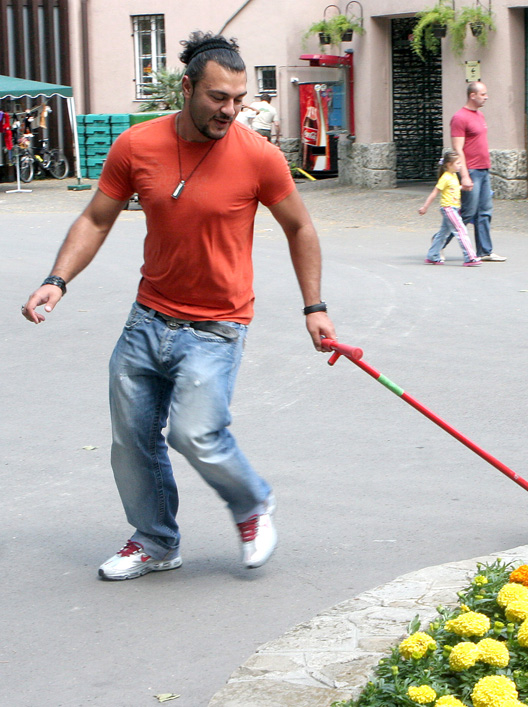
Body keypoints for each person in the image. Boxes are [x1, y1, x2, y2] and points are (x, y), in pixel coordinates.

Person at [20, 31, 336, 580]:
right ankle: (156, 541)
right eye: (219, 98)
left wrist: (315, 306)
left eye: (239, 100)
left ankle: (251, 503)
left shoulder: (257, 156)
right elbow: (97, 218)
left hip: (217, 327)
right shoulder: (137, 145)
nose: (231, 111)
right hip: (148, 319)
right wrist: (58, 278)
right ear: (188, 87)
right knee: (131, 441)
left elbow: (300, 228)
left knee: (195, 434)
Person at [450, 81, 505, 262]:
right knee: (467, 212)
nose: (486, 97)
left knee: (485, 212)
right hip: (471, 170)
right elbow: (458, 149)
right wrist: (464, 175)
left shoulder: (480, 115)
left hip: (483, 169)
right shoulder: (459, 117)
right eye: (483, 94)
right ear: (472, 95)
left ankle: (485, 251)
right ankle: (438, 243)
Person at [419, 150, 481, 266]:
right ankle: (470, 257)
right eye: (458, 163)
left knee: (443, 233)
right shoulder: (445, 177)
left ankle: (432, 256)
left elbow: (453, 188)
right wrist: (425, 207)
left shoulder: (453, 176)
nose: (460, 165)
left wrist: (462, 187)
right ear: (449, 165)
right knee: (461, 230)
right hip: (448, 208)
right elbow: (434, 193)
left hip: (454, 208)